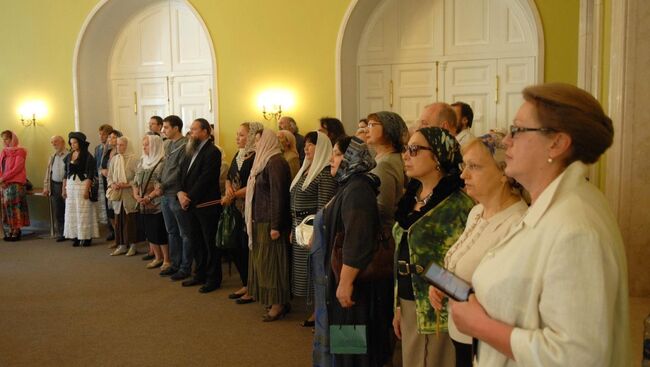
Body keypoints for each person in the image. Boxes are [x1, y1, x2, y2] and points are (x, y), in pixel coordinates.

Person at [449, 83, 630, 366]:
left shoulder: (575, 227)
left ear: (557, 143)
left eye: (518, 130)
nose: (506, 141)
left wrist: (480, 326)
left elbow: (578, 356)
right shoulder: (552, 208)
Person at [427, 131, 527, 367]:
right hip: (461, 331)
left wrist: (446, 284)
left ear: (503, 172)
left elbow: (500, 295)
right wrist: (440, 284)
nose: (463, 174)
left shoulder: (517, 223)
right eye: (464, 165)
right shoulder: (476, 212)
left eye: (474, 166)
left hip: (486, 340)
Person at [392, 127, 474, 367]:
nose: (406, 155)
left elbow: (469, 262)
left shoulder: (460, 205)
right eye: (406, 149)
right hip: (408, 302)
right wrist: (397, 305)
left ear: (437, 156)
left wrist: (442, 286)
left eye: (415, 150)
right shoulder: (412, 197)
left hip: (438, 308)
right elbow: (402, 252)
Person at [321, 136, 392, 366]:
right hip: (349, 280)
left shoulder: (358, 188)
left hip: (355, 287)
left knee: (353, 347)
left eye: (337, 154)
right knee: (348, 344)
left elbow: (357, 239)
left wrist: (345, 282)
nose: (332, 159)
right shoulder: (349, 184)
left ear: (350, 158)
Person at [289, 131, 337, 326]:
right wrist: (293, 230)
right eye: (306, 144)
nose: (306, 148)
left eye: (311, 145)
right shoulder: (307, 169)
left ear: (322, 147)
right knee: (305, 272)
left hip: (312, 229)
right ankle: (315, 310)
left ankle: (320, 313)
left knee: (316, 271)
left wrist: (316, 233)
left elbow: (323, 207)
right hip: (299, 226)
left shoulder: (324, 172)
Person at [245, 128, 292, 321]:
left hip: (270, 222)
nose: (256, 144)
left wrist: (275, 225)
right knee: (263, 263)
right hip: (260, 219)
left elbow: (278, 196)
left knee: (272, 263)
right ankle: (273, 300)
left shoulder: (276, 162)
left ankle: (278, 303)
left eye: (258, 140)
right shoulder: (263, 161)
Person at [177, 118, 223, 294]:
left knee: (210, 243)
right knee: (196, 241)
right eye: (191, 129)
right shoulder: (190, 150)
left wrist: (189, 197)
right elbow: (182, 174)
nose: (191, 133)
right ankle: (199, 274)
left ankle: (213, 278)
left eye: (194, 129)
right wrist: (180, 192)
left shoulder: (213, 152)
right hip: (189, 204)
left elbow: (206, 178)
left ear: (205, 132)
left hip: (206, 204)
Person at [222, 122, 263, 304]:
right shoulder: (238, 155)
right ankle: (245, 282)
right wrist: (228, 188)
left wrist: (234, 194)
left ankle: (253, 286)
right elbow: (229, 178)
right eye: (237, 135)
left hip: (249, 208)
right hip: (234, 207)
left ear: (253, 136)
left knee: (248, 248)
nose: (237, 138)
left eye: (242, 135)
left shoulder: (257, 157)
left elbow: (254, 184)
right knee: (236, 246)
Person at [158, 115, 193, 280]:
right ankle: (175, 263)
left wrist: (163, 185)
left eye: (165, 127)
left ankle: (185, 267)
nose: (163, 130)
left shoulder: (185, 146)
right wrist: (158, 182)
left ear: (176, 128)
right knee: (171, 231)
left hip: (176, 193)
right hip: (165, 194)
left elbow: (179, 171)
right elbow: (164, 166)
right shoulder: (168, 144)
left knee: (184, 233)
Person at [133, 133, 169, 269]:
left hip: (157, 203)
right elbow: (135, 181)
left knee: (159, 231)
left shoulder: (162, 162)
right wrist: (136, 196)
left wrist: (149, 197)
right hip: (143, 203)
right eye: (143, 145)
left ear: (155, 145)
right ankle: (157, 257)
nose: (144, 147)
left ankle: (166, 259)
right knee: (149, 232)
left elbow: (161, 185)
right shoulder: (143, 161)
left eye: (147, 144)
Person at [63, 132, 99, 247]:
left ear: (80, 143)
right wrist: (64, 189)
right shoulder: (69, 156)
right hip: (71, 186)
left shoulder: (88, 157)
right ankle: (76, 236)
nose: (73, 145)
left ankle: (86, 237)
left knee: (84, 211)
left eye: (75, 142)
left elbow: (90, 175)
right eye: (71, 143)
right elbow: (65, 173)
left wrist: (86, 190)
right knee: (72, 211)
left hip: (82, 185)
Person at [107, 136, 139, 256]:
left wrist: (128, 184)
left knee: (130, 221)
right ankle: (121, 245)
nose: (119, 147)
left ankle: (133, 245)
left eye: (121, 145)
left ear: (127, 145)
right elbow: (109, 176)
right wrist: (113, 184)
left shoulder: (134, 159)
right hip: (117, 195)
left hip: (129, 194)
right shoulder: (114, 159)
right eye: (117, 145)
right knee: (119, 220)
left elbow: (138, 177)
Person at [0, 130, 29, 241]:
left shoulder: (20, 151)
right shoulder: (4, 152)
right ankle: (11, 229)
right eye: (3, 139)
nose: (5, 141)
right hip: (5, 184)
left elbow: (17, 168)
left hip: (16, 184)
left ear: (13, 139)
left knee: (15, 208)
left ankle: (17, 230)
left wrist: (3, 178)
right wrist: (1, 181)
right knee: (7, 209)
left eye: (7, 138)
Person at [43, 135, 68, 242]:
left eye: (56, 142)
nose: (54, 144)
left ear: (63, 142)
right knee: (58, 211)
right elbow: (48, 172)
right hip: (55, 185)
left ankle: (70, 233)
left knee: (68, 210)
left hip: (67, 186)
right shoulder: (52, 156)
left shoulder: (69, 155)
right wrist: (46, 187)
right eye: (52, 142)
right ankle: (61, 233)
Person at [101, 129, 122, 248]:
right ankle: (116, 237)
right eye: (109, 137)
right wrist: (102, 171)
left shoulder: (120, 151)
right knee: (110, 214)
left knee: (117, 214)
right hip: (106, 184)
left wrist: (109, 173)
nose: (110, 139)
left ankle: (122, 239)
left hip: (117, 184)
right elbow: (102, 166)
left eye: (113, 137)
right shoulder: (107, 151)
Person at [95, 124, 114, 241]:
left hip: (111, 179)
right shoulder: (98, 148)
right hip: (101, 178)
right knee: (106, 206)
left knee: (112, 207)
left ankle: (117, 232)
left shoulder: (112, 148)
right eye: (100, 134)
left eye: (103, 134)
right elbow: (97, 163)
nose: (101, 136)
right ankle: (111, 230)